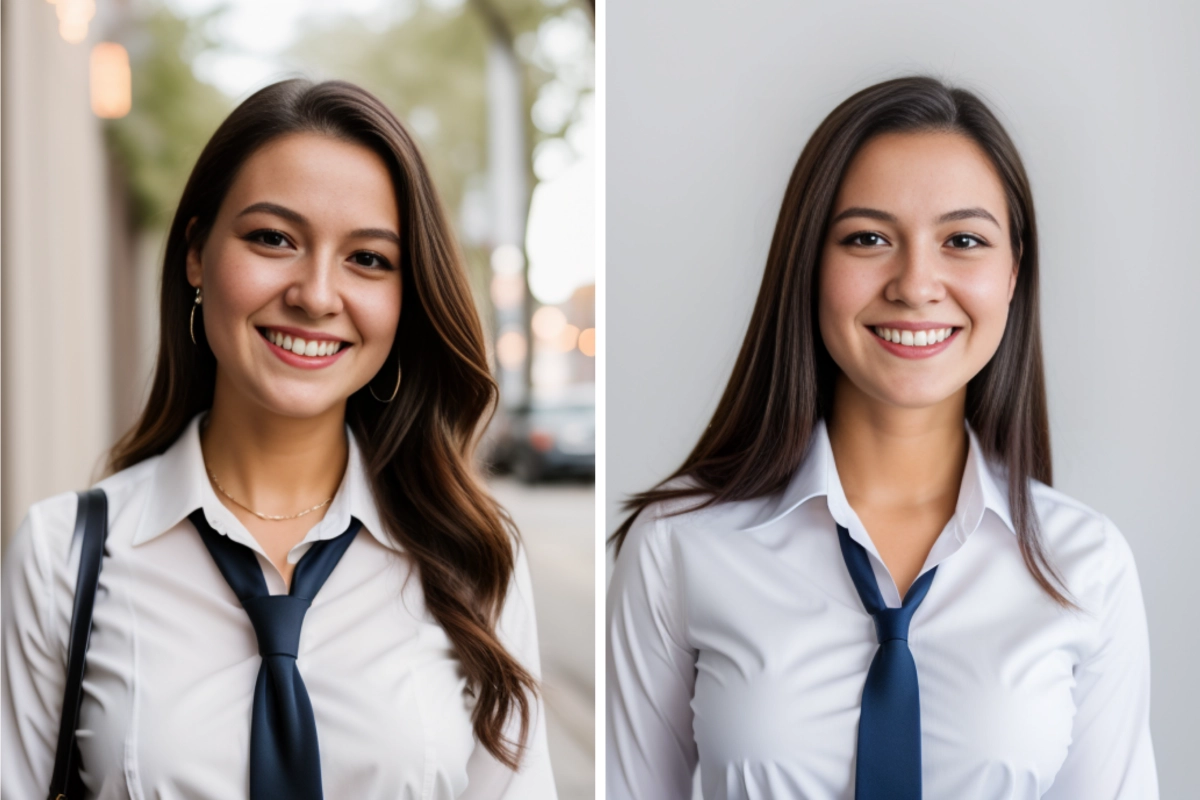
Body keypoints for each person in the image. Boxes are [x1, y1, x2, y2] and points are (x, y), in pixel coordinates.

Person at [2, 78, 557, 799]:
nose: (317, 294)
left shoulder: (473, 558)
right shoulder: (62, 558)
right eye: (273, 239)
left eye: (368, 259)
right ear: (197, 253)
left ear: (406, 297)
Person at [606, 76, 1157, 799]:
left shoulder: (1085, 567)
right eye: (868, 238)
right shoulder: (679, 545)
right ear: (808, 264)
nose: (916, 283)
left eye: (963, 240)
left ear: (1013, 273)